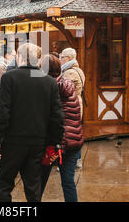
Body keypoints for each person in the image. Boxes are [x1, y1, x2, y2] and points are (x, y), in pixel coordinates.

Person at [0, 43, 64, 202]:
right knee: (33, 187)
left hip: (12, 142)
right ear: (38, 60)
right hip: (38, 142)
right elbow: (57, 118)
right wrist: (54, 143)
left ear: (19, 57)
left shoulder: (9, 78)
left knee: (3, 183)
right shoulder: (49, 81)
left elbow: (2, 113)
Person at [39, 54, 83, 202]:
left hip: (54, 143)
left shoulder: (48, 88)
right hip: (73, 141)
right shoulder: (68, 85)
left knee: (39, 181)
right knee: (68, 181)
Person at [59, 48, 86, 169]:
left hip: (71, 106)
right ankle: (76, 159)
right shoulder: (78, 70)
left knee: (71, 133)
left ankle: (75, 160)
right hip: (77, 104)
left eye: (62, 57)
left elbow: (65, 91)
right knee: (76, 131)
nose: (60, 59)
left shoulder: (69, 72)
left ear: (69, 58)